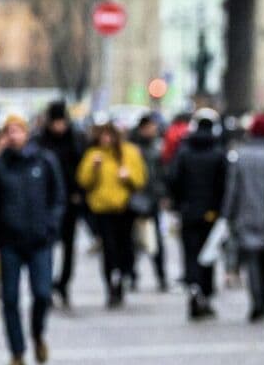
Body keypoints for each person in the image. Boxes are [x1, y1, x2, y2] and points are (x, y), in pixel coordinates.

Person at [0, 114, 65, 365]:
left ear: (27, 133)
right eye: (9, 131)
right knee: (10, 299)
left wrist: (51, 226)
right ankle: (17, 352)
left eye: (18, 130)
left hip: (39, 240)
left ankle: (37, 334)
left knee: (42, 293)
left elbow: (57, 197)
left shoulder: (44, 161)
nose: (14, 135)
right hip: (9, 242)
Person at [166, 109, 230, 320]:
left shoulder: (184, 151)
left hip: (189, 211)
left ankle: (193, 286)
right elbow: (224, 184)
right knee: (208, 254)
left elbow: (173, 178)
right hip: (210, 212)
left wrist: (179, 203)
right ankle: (206, 293)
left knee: (191, 252)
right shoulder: (218, 152)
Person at [222, 114, 264, 321]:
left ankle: (257, 301)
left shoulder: (240, 157)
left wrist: (227, 214)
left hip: (246, 214)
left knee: (252, 262)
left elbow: (233, 189)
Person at [76, 123, 146, 308]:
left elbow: (140, 179)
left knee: (126, 246)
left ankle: (123, 276)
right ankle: (111, 284)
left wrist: (128, 176)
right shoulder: (93, 154)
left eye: (109, 136)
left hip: (125, 208)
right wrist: (94, 168)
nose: (106, 139)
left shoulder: (129, 152)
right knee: (108, 248)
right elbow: (83, 181)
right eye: (103, 136)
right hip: (102, 209)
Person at [36, 102, 86, 307]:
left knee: (68, 246)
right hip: (46, 202)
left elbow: (82, 169)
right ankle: (46, 285)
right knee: (47, 245)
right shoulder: (42, 142)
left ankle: (64, 283)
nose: (59, 127)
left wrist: (78, 193)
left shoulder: (75, 140)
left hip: (70, 201)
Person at [129, 113, 170, 292]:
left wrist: (163, 195)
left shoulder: (157, 146)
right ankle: (131, 275)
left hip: (152, 199)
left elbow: (161, 173)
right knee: (134, 240)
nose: (154, 130)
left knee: (155, 241)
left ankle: (161, 276)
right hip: (135, 198)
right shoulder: (132, 147)